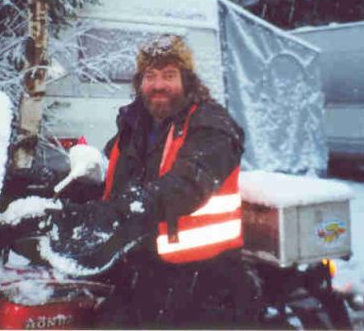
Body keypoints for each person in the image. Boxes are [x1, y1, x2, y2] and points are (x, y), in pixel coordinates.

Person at [36, 34, 257, 328]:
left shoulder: (212, 125)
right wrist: (60, 193)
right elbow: (111, 178)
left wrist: (116, 212)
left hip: (203, 278)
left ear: (187, 80)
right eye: (150, 76)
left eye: (169, 75)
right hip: (142, 263)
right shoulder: (135, 124)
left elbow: (186, 186)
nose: (158, 85)